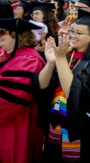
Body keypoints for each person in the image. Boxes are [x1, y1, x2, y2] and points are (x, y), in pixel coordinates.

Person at [34, 9, 90, 163]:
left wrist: (60, 58)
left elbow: (76, 93)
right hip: (55, 125)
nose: (73, 35)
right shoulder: (67, 55)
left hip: (79, 131)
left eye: (79, 33)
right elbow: (42, 86)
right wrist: (51, 63)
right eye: (72, 31)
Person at [0, 18, 46, 163]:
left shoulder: (28, 60)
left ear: (16, 35)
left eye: (2, 33)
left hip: (16, 125)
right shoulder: (8, 53)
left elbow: (10, 100)